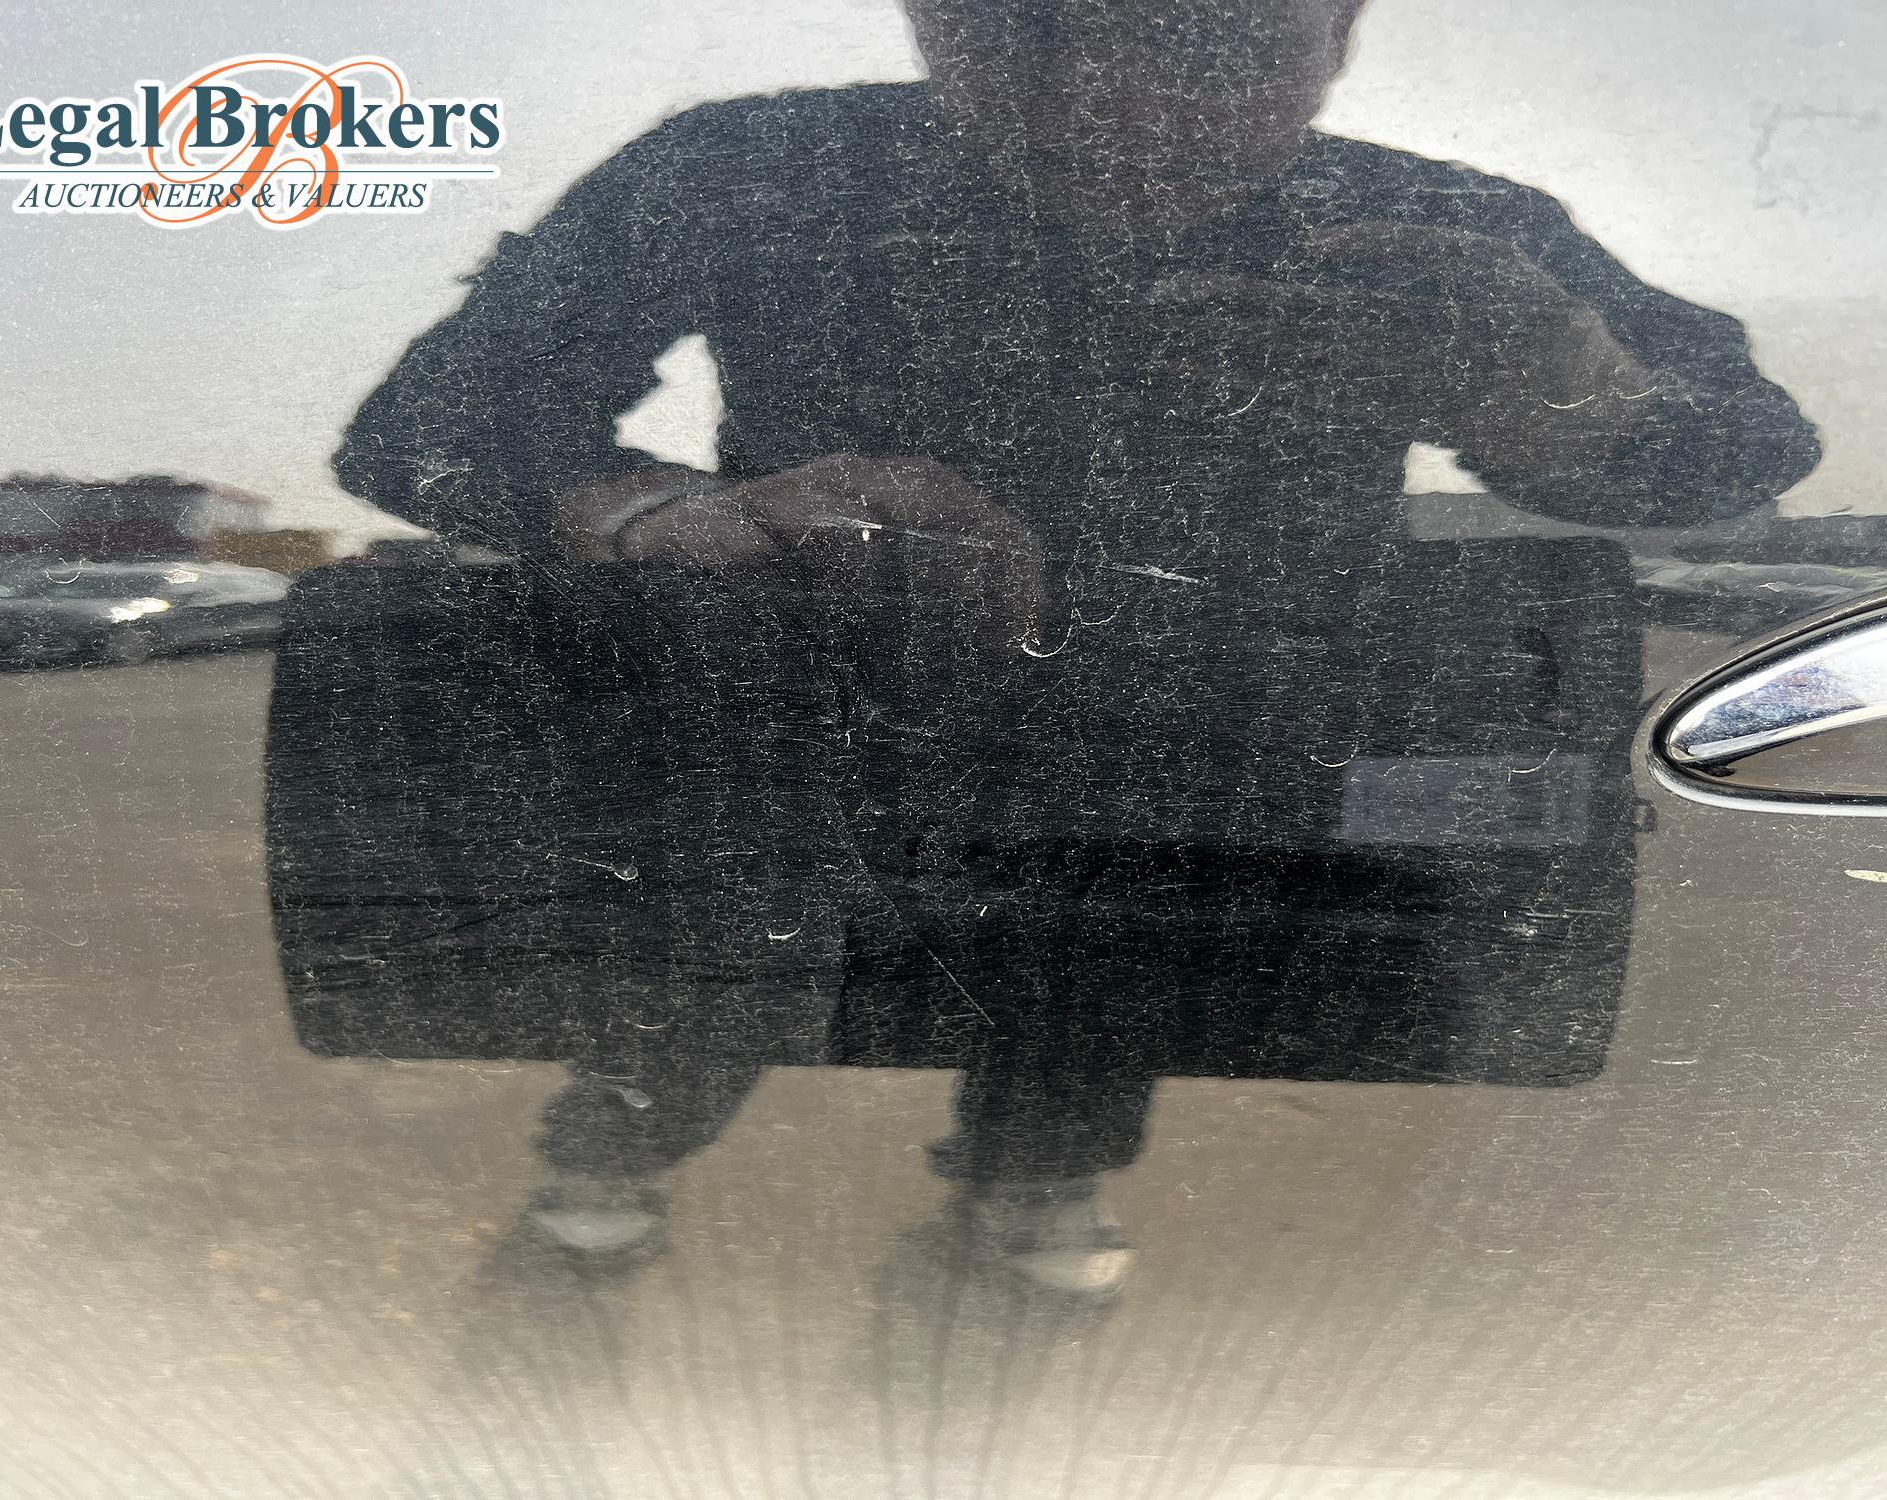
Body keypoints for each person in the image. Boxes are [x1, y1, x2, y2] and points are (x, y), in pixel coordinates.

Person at [333, 0, 1819, 1294]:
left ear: (1342, 25)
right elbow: (424, 422)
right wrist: (674, 516)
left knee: (1103, 986)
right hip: (829, 698)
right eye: (1030, 17)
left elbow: (1746, 442)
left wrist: (1580, 401)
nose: (1118, 90)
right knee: (732, 959)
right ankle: (622, 1143)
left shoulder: (1447, 228)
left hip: (1198, 742)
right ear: (927, 13)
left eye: (1216, 32)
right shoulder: (754, 164)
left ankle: (1022, 1169)